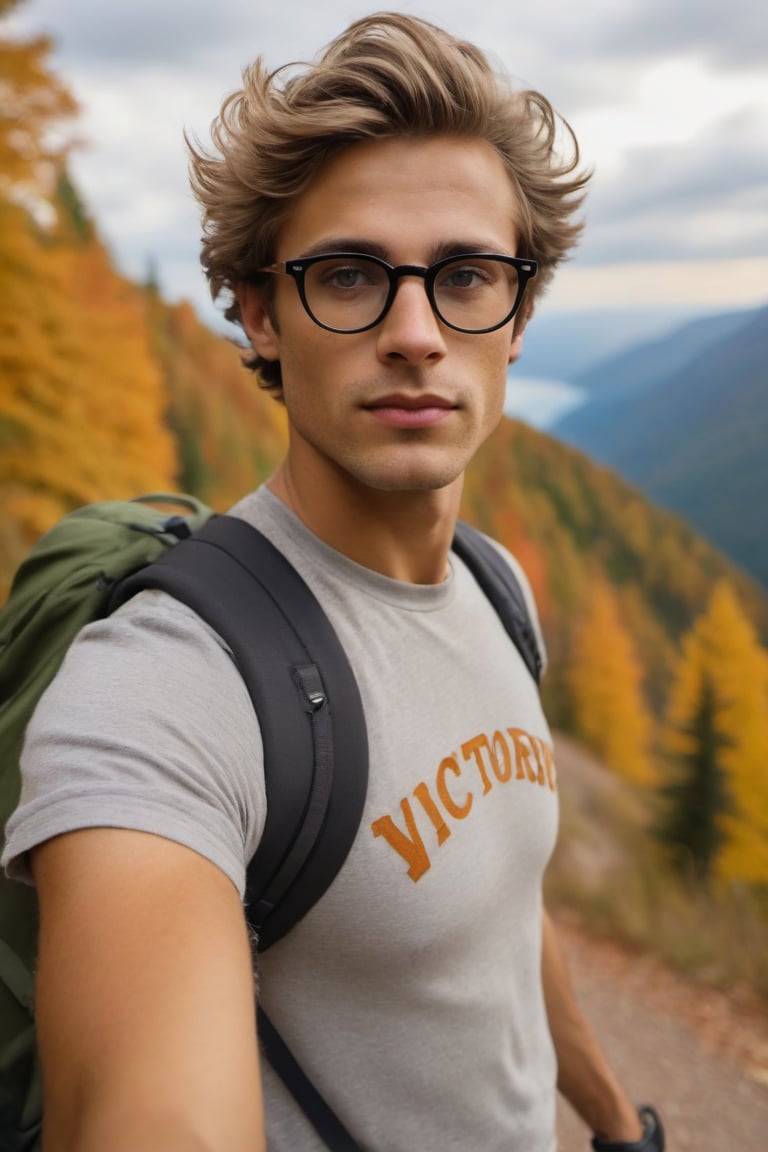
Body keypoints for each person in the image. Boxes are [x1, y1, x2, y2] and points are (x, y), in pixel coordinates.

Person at [3, 13, 657, 1152]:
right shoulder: (165, 690)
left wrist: (613, 1122)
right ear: (260, 312)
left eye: (466, 276)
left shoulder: (496, 588)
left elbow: (501, 912)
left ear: (518, 319)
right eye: (349, 275)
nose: (414, 332)